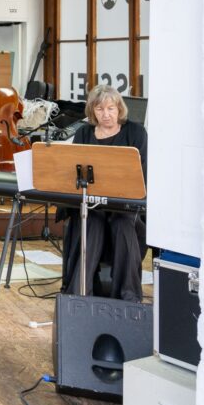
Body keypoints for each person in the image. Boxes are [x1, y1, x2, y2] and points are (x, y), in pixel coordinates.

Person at [60, 84, 148, 302]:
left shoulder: (136, 132)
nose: (106, 114)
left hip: (125, 206)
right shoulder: (84, 133)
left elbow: (143, 175)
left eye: (111, 109)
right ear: (92, 111)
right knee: (92, 222)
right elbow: (74, 173)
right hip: (92, 204)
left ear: (119, 109)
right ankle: (80, 294)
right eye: (99, 109)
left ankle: (129, 296)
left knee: (122, 223)